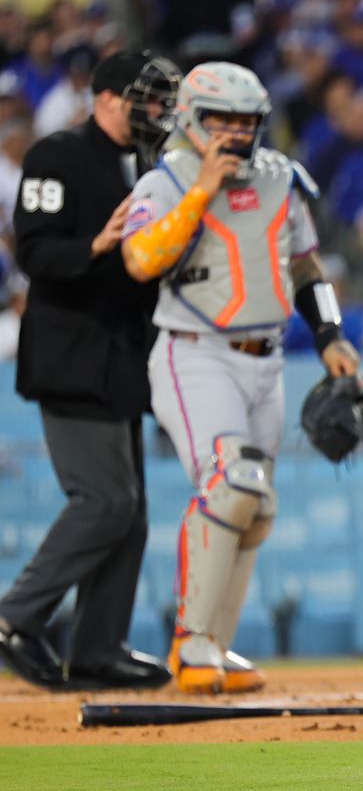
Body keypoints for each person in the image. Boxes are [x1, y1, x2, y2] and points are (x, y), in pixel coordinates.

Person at [120, 62, 360, 694]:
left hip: (268, 355)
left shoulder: (282, 179)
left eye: (246, 120)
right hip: (194, 351)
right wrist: (201, 189)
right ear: (192, 120)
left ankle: (215, 649)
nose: (235, 131)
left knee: (257, 507)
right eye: (222, 119)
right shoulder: (165, 180)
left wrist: (332, 335)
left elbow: (308, 267)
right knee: (232, 483)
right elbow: (141, 260)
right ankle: (189, 644)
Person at [0, 52, 178, 690]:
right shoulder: (57, 154)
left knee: (130, 513)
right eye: (147, 99)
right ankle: (15, 616)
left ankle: (100, 647)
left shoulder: (142, 165)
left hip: (122, 358)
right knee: (105, 501)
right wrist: (98, 246)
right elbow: (37, 252)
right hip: (71, 355)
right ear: (107, 98)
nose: (158, 112)